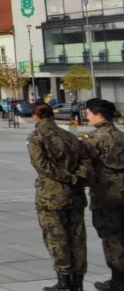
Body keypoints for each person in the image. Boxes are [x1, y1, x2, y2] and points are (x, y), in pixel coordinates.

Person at [28, 103, 91, 291]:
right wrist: (77, 177)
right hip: (75, 194)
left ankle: (64, 283)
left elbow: (42, 166)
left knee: (56, 237)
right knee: (77, 237)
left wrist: (66, 177)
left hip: (51, 196)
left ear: (35, 116)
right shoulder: (70, 136)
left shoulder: (37, 137)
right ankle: (77, 283)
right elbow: (85, 162)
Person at [82, 98, 124, 291]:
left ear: (98, 114)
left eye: (89, 112)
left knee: (111, 238)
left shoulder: (93, 139)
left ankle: (117, 281)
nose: (87, 116)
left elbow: (84, 166)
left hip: (106, 195)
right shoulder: (121, 136)